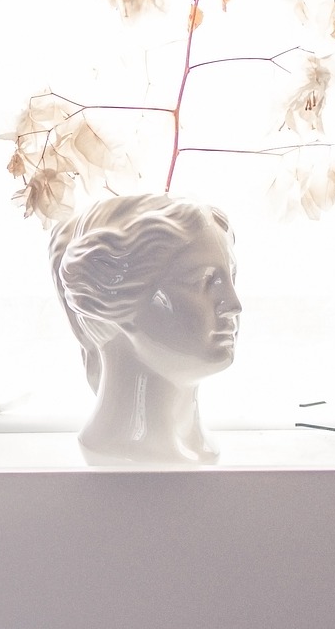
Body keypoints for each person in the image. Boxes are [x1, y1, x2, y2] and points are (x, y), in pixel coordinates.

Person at [48, 193, 242, 464]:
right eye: (202, 281)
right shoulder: (119, 457)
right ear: (112, 295)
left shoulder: (203, 451)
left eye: (231, 279)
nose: (233, 305)